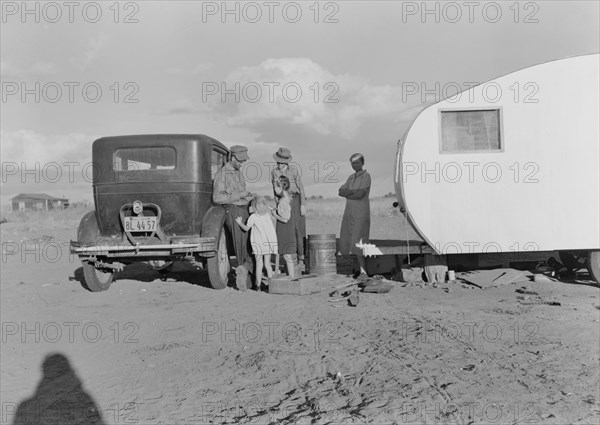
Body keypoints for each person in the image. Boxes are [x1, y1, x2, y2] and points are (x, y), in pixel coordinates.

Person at [212, 145, 255, 290]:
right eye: (241, 161)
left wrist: (248, 197)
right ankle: (244, 271)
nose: (242, 164)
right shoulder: (222, 174)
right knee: (241, 240)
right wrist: (240, 195)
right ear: (233, 157)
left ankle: (246, 270)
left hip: (243, 207)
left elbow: (241, 191)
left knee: (253, 239)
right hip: (231, 209)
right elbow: (217, 197)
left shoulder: (238, 172)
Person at [271, 147, 306, 272]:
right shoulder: (274, 172)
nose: (279, 164)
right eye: (278, 161)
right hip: (283, 201)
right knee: (285, 230)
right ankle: (290, 259)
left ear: (286, 162)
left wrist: (303, 205)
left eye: (281, 162)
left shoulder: (294, 171)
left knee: (298, 229)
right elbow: (274, 189)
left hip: (295, 200)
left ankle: (301, 260)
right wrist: (277, 204)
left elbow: (301, 188)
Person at [338, 153, 371, 280]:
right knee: (349, 239)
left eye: (357, 162)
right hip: (349, 212)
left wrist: (348, 193)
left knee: (359, 241)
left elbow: (360, 195)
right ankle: (358, 269)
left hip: (361, 213)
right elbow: (340, 191)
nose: (354, 165)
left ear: (362, 163)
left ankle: (364, 271)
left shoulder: (366, 176)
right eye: (352, 163)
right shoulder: (350, 177)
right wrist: (352, 192)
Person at [235, 196, 278, 290]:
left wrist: (239, 222)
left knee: (259, 265)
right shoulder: (268, 215)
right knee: (267, 264)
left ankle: (258, 285)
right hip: (267, 244)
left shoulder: (253, 217)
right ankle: (271, 285)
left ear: (254, 206)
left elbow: (246, 228)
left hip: (258, 244)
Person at [271, 176, 297, 278]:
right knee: (287, 255)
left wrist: (275, 215)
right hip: (286, 230)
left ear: (281, 187)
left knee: (287, 255)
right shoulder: (287, 198)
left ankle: (291, 277)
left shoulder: (283, 201)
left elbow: (285, 219)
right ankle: (291, 276)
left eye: (275, 187)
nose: (274, 190)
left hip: (285, 230)